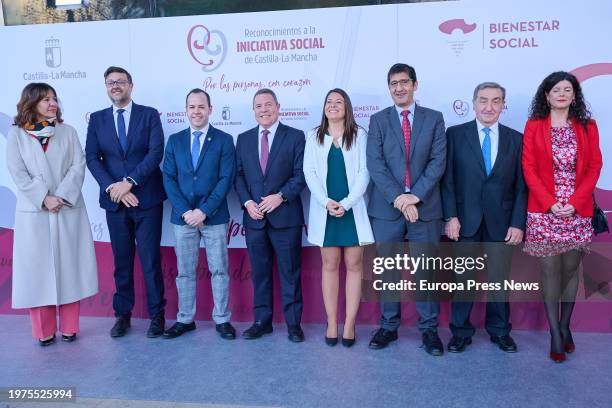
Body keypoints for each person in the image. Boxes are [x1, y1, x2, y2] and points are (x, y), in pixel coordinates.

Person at [7, 83, 98, 346]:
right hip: (34, 212)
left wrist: (61, 196)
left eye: (54, 98)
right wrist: (43, 198)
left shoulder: (68, 132)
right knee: (38, 273)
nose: (52, 103)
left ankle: (70, 327)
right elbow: (17, 172)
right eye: (46, 99)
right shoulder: (17, 135)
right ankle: (43, 332)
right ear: (31, 102)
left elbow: (77, 166)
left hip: (66, 208)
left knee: (70, 268)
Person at [366, 63, 447, 355]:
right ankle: (388, 326)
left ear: (415, 84)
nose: (398, 88)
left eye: (404, 82)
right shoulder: (378, 120)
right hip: (387, 209)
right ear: (389, 88)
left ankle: (429, 330)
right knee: (388, 271)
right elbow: (375, 164)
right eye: (393, 83)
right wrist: (400, 199)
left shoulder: (434, 119)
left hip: (425, 208)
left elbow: (438, 162)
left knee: (425, 272)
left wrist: (415, 197)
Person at [522, 71, 602, 363]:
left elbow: (595, 166)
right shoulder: (534, 126)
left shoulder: (587, 126)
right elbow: (528, 168)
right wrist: (551, 203)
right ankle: (555, 333)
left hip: (577, 210)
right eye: (556, 89)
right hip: (544, 211)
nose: (562, 94)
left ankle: (566, 325)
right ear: (546, 95)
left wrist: (575, 201)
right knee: (549, 271)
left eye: (568, 89)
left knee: (571, 270)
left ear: (574, 95)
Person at [442, 82, 526, 353]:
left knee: (499, 280)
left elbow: (521, 187)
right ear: (474, 103)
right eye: (483, 100)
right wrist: (450, 216)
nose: (489, 107)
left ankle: (500, 331)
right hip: (465, 220)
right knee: (464, 279)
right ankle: (460, 333)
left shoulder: (516, 138)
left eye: (496, 101)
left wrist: (517, 222)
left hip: (502, 223)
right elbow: (447, 181)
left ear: (503, 105)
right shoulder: (454, 135)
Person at [85, 66, 166, 338]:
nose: (115, 86)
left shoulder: (149, 115)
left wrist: (129, 182)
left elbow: (155, 153)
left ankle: (157, 316)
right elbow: (92, 158)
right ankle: (123, 315)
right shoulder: (97, 120)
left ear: (131, 85)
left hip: (147, 200)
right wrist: (113, 188)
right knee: (122, 262)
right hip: (115, 204)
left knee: (151, 260)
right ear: (106, 87)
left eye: (120, 81)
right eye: (110, 82)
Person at [162, 88, 236, 340]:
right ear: (186, 111)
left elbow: (226, 178)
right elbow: (169, 179)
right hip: (183, 219)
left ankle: (222, 319)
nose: (196, 111)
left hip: (213, 217)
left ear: (210, 110)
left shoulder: (225, 140)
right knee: (185, 272)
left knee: (219, 270)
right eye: (191, 107)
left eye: (201, 107)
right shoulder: (174, 141)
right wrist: (186, 212)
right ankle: (185, 319)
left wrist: (204, 210)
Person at [234, 88, 307, 342]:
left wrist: (281, 196)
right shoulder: (243, 139)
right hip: (254, 220)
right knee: (260, 273)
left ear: (278, 107)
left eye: (268, 104)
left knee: (290, 273)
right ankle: (262, 321)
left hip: (286, 218)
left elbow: (301, 174)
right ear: (253, 110)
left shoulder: (296, 137)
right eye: (258, 106)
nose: (263, 109)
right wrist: (246, 202)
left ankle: (293, 324)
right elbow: (239, 176)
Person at [303, 88, 374, 347]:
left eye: (339, 102)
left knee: (354, 265)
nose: (333, 105)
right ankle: (332, 321)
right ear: (324, 108)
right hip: (326, 210)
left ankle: (350, 324)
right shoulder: (314, 136)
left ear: (347, 108)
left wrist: (346, 203)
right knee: (330, 265)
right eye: (329, 102)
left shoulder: (359, 135)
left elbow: (364, 173)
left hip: (351, 210)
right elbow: (308, 172)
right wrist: (326, 203)